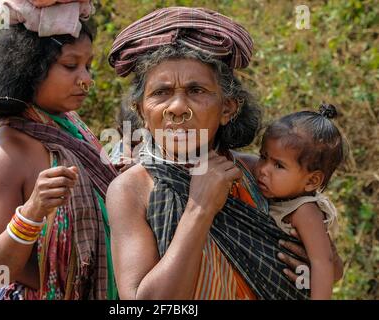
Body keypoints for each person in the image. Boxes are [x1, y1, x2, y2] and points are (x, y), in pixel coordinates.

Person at [106, 7, 344, 300]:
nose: (177, 107)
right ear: (141, 111)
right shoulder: (131, 190)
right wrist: (200, 208)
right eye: (161, 93)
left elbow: (327, 265)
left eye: (196, 90)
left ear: (228, 108)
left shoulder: (260, 176)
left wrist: (318, 264)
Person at [0, 3, 118, 299]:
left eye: (88, 66)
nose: (86, 79)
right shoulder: (5, 153)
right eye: (70, 66)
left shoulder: (70, 128)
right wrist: (31, 212)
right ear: (29, 67)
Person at [254, 103, 345, 299]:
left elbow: (323, 262)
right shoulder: (276, 196)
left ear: (312, 181)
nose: (263, 169)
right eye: (263, 157)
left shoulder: (304, 211)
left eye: (278, 165)